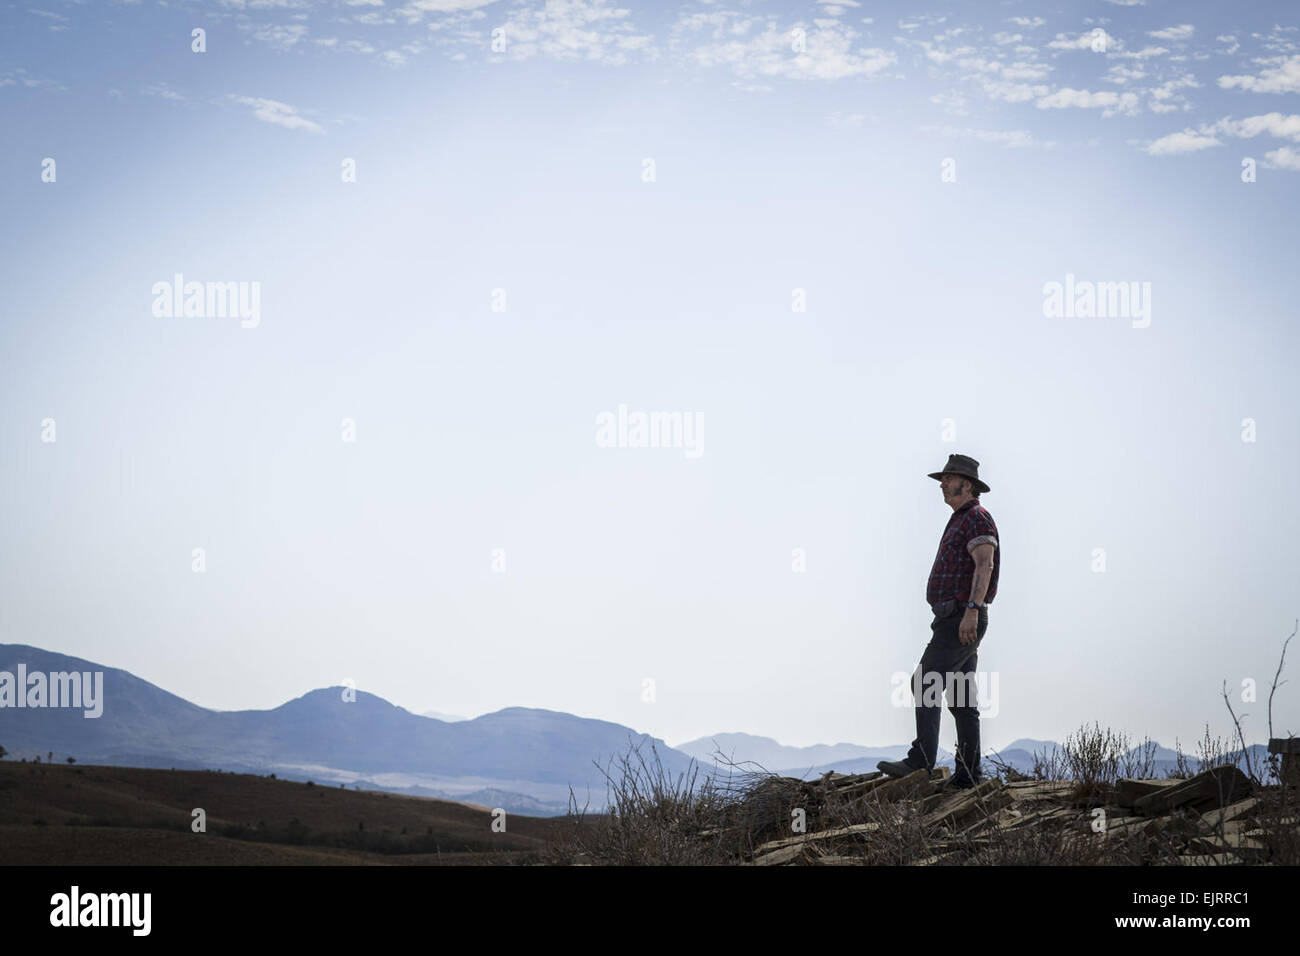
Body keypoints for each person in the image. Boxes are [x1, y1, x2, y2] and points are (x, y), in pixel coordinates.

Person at [878, 453, 1000, 790]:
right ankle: (968, 775)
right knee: (962, 699)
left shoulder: (976, 517)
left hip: (961, 616)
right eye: (944, 478)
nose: (943, 484)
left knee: (925, 682)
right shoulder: (961, 519)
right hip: (956, 616)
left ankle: (921, 761)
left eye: (949, 478)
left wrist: (972, 610)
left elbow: (984, 564)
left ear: (968, 484)